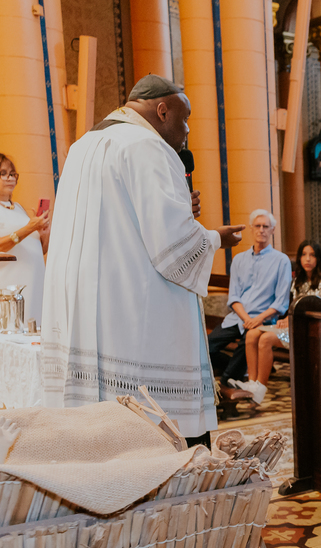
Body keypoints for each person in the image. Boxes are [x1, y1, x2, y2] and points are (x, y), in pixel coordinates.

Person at [42, 74, 244, 446]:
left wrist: (180, 206)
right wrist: (216, 237)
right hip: (135, 316)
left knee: (100, 433)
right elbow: (175, 249)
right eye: (184, 120)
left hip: (91, 305)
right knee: (158, 435)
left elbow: (125, 222)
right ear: (162, 110)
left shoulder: (83, 146)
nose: (186, 132)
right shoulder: (148, 147)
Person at [237, 240, 321, 405]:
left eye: (312, 255)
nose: (308, 259)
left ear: (318, 258)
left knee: (266, 339)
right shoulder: (298, 281)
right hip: (295, 328)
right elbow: (295, 309)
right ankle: (252, 384)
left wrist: (294, 321)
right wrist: (287, 318)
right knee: (252, 334)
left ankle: (260, 388)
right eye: (304, 255)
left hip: (313, 332)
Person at [207, 210, 292, 393]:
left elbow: (280, 302)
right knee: (206, 348)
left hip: (263, 321)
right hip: (238, 318)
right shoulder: (239, 259)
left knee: (247, 342)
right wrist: (246, 318)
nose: (261, 230)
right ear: (252, 228)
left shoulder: (281, 261)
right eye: (258, 226)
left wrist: (257, 320)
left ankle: (229, 380)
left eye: (266, 227)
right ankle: (236, 370)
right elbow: (234, 297)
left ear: (273, 230)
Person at [0, 152, 51, 326]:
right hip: (8, 283)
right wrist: (29, 228)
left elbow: (40, 250)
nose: (10, 178)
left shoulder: (18, 207)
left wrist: (43, 233)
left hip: (34, 279)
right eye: (3, 173)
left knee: (36, 331)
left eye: (13, 174)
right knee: (13, 333)